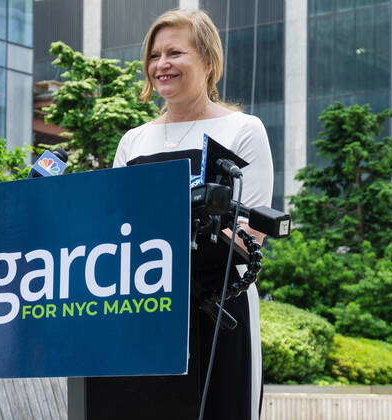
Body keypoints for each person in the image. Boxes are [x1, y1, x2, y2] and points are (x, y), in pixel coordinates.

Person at [111, 8, 273, 420]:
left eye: (175, 53)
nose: (161, 64)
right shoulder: (134, 140)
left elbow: (250, 235)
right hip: (144, 308)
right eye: (154, 55)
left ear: (208, 61)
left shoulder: (243, 130)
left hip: (219, 306)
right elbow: (112, 227)